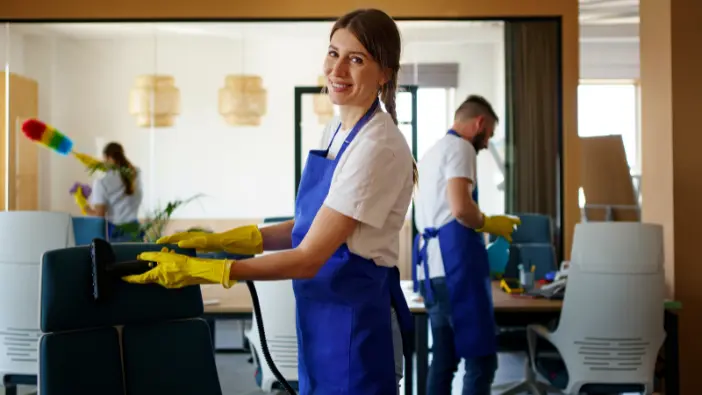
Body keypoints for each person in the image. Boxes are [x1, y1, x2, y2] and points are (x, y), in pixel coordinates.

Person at [123, 9, 416, 395]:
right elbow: (310, 226)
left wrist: (210, 271)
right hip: (320, 316)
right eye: (333, 53)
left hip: (351, 322)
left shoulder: (376, 146)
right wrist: (224, 240)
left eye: (356, 59)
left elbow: (310, 255)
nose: (338, 69)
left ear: (384, 73)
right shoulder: (338, 129)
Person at [412, 95, 521, 395]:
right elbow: (460, 208)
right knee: (481, 361)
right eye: (488, 136)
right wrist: (487, 222)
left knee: (444, 360)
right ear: (479, 124)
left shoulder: (431, 152)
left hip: (431, 270)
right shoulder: (461, 148)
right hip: (454, 268)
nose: (486, 144)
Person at [76, 142, 143, 242]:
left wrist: (83, 204)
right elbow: (122, 173)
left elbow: (99, 216)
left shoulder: (101, 183)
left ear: (108, 158)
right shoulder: (136, 173)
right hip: (136, 230)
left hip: (118, 234)